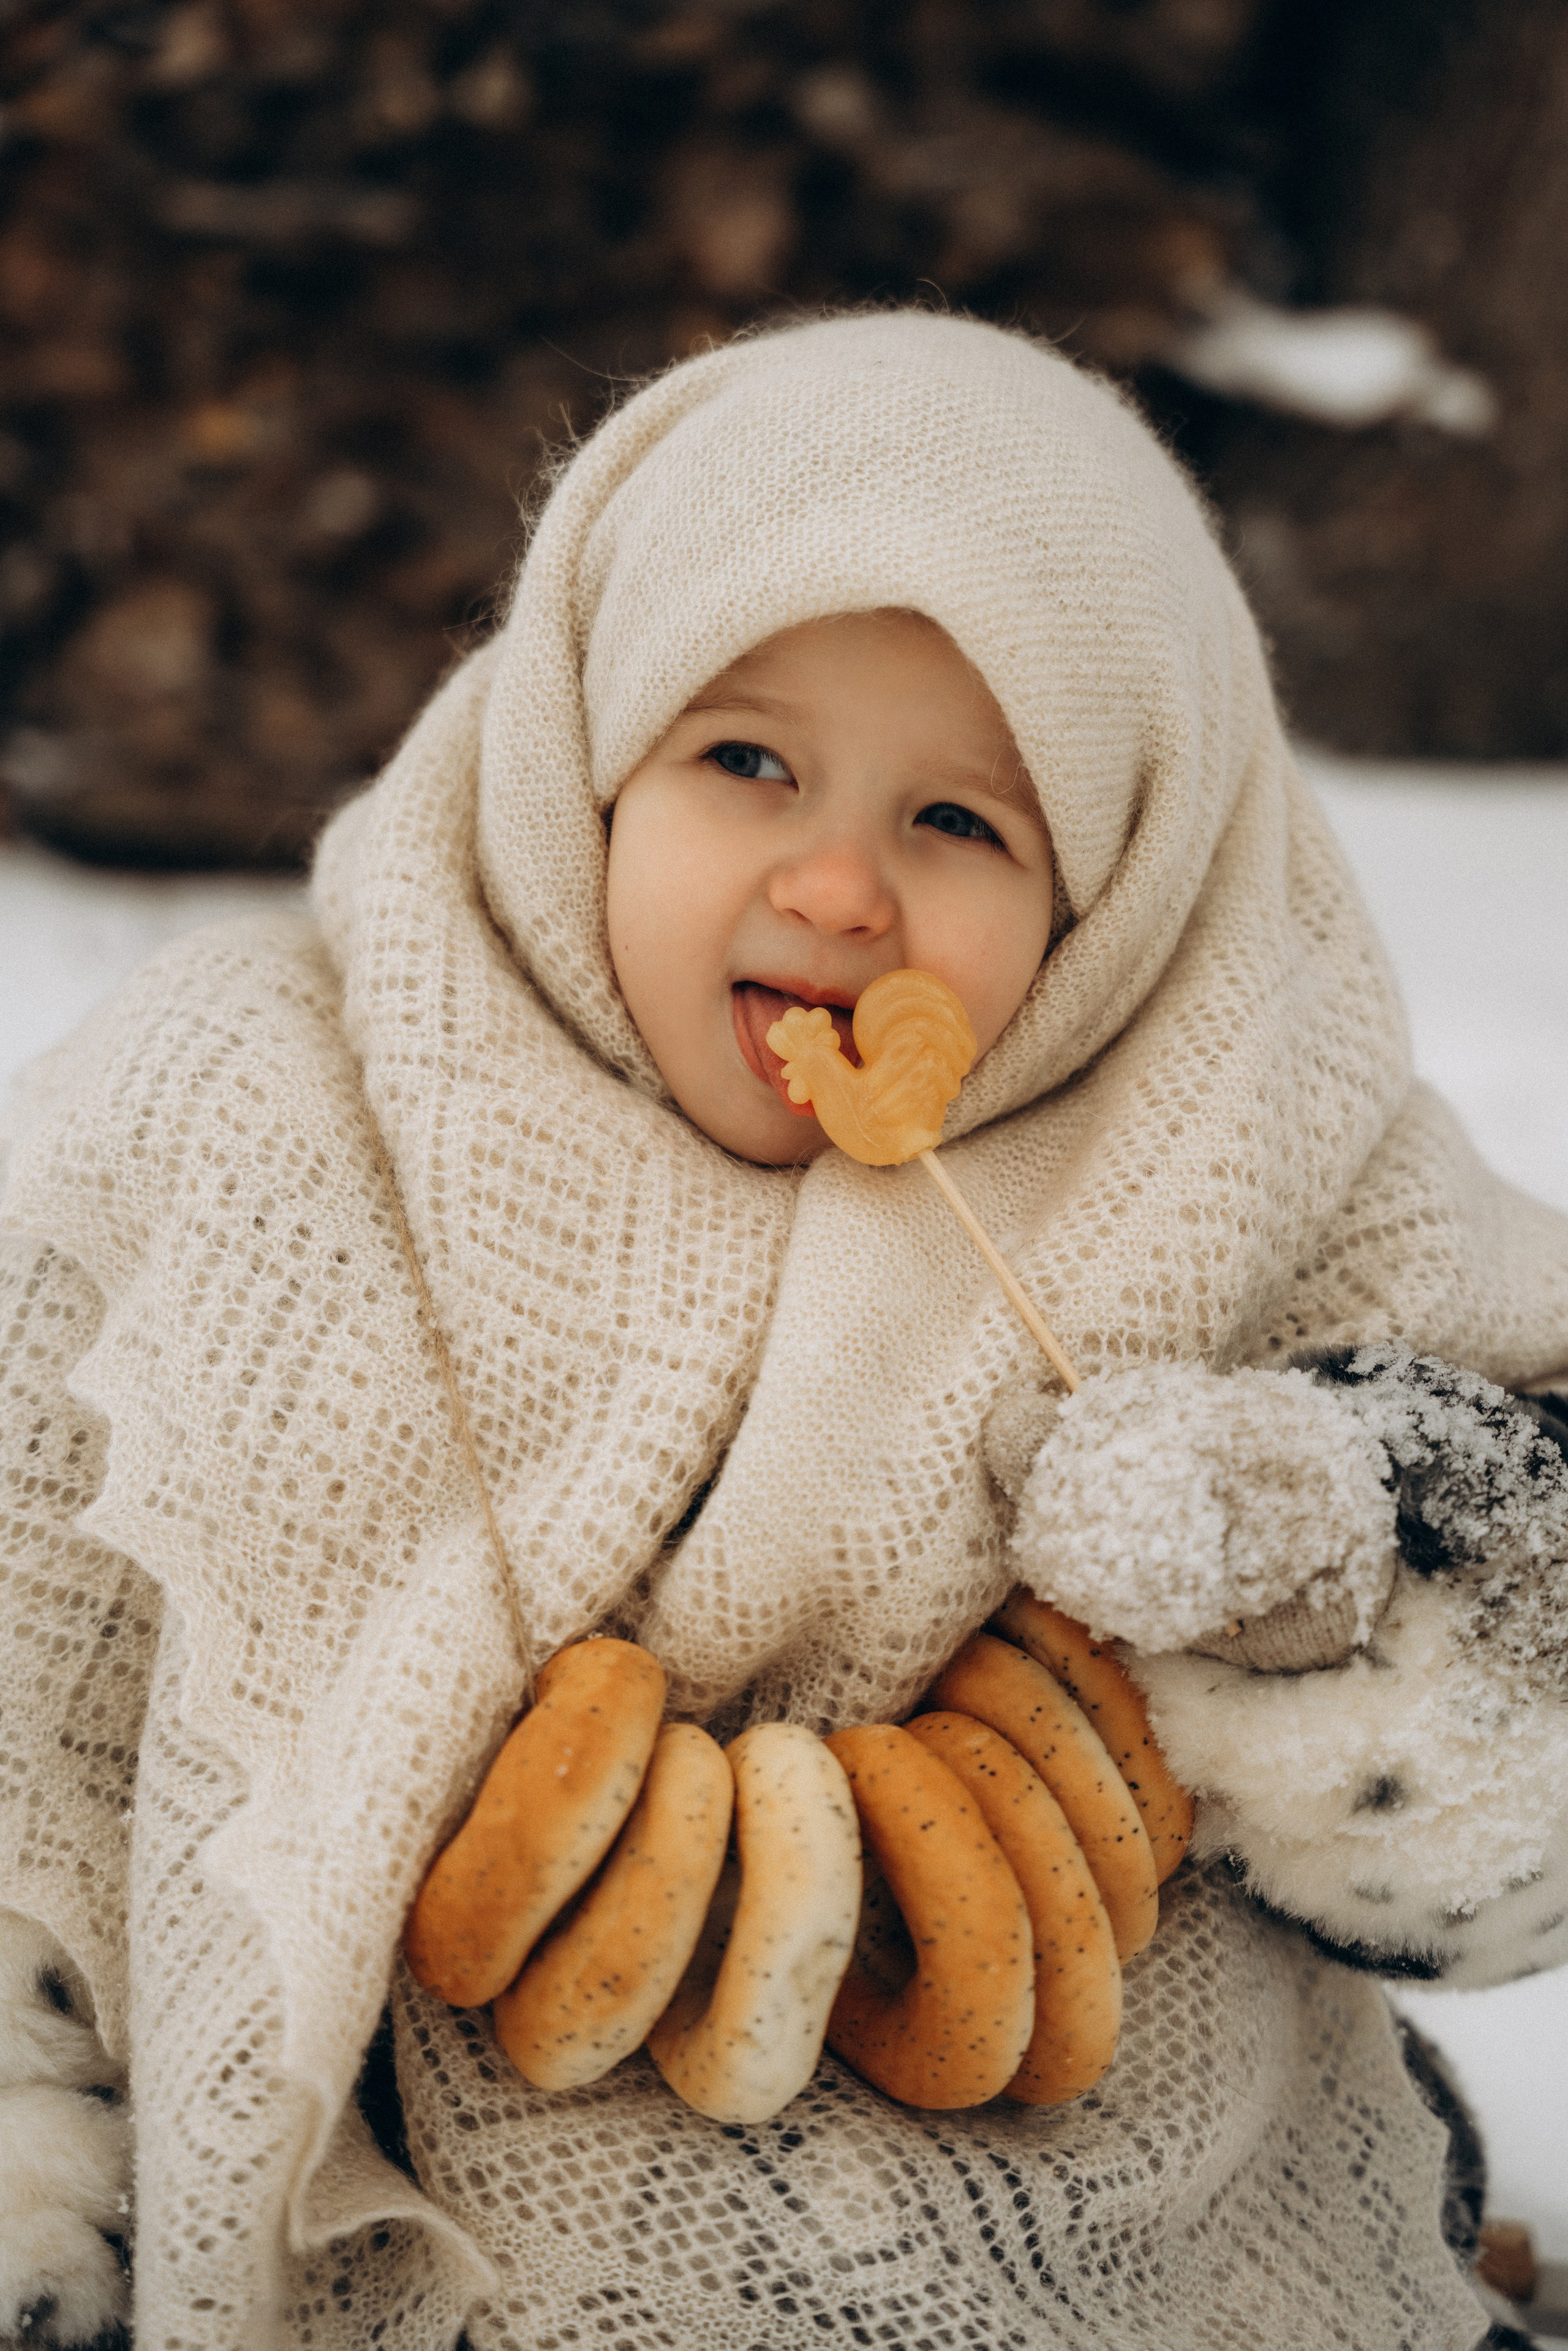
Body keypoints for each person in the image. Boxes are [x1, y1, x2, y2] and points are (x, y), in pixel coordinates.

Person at [1, 310, 1566, 2351]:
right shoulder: (261, 1116)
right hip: (441, 2221)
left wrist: (1340, 1530)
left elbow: (1516, 1771)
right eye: (744, 762)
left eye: (963, 825)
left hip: (1137, 2209)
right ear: (586, 759)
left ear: (1113, 904)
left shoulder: (1242, 1157)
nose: (835, 888)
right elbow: (38, 1692)